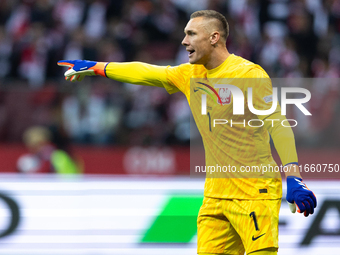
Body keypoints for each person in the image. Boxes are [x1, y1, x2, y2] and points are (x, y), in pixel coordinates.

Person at [58, 10, 316, 255]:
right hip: (215, 195)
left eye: (191, 34)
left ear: (214, 37)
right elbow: (147, 72)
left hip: (254, 192)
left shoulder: (247, 74)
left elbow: (278, 123)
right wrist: (97, 66)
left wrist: (293, 176)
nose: (184, 41)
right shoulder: (191, 74)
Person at [17, 126, 81, 174]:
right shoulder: (27, 160)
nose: (34, 148)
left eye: (38, 144)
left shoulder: (59, 157)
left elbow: (69, 177)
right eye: (31, 144)